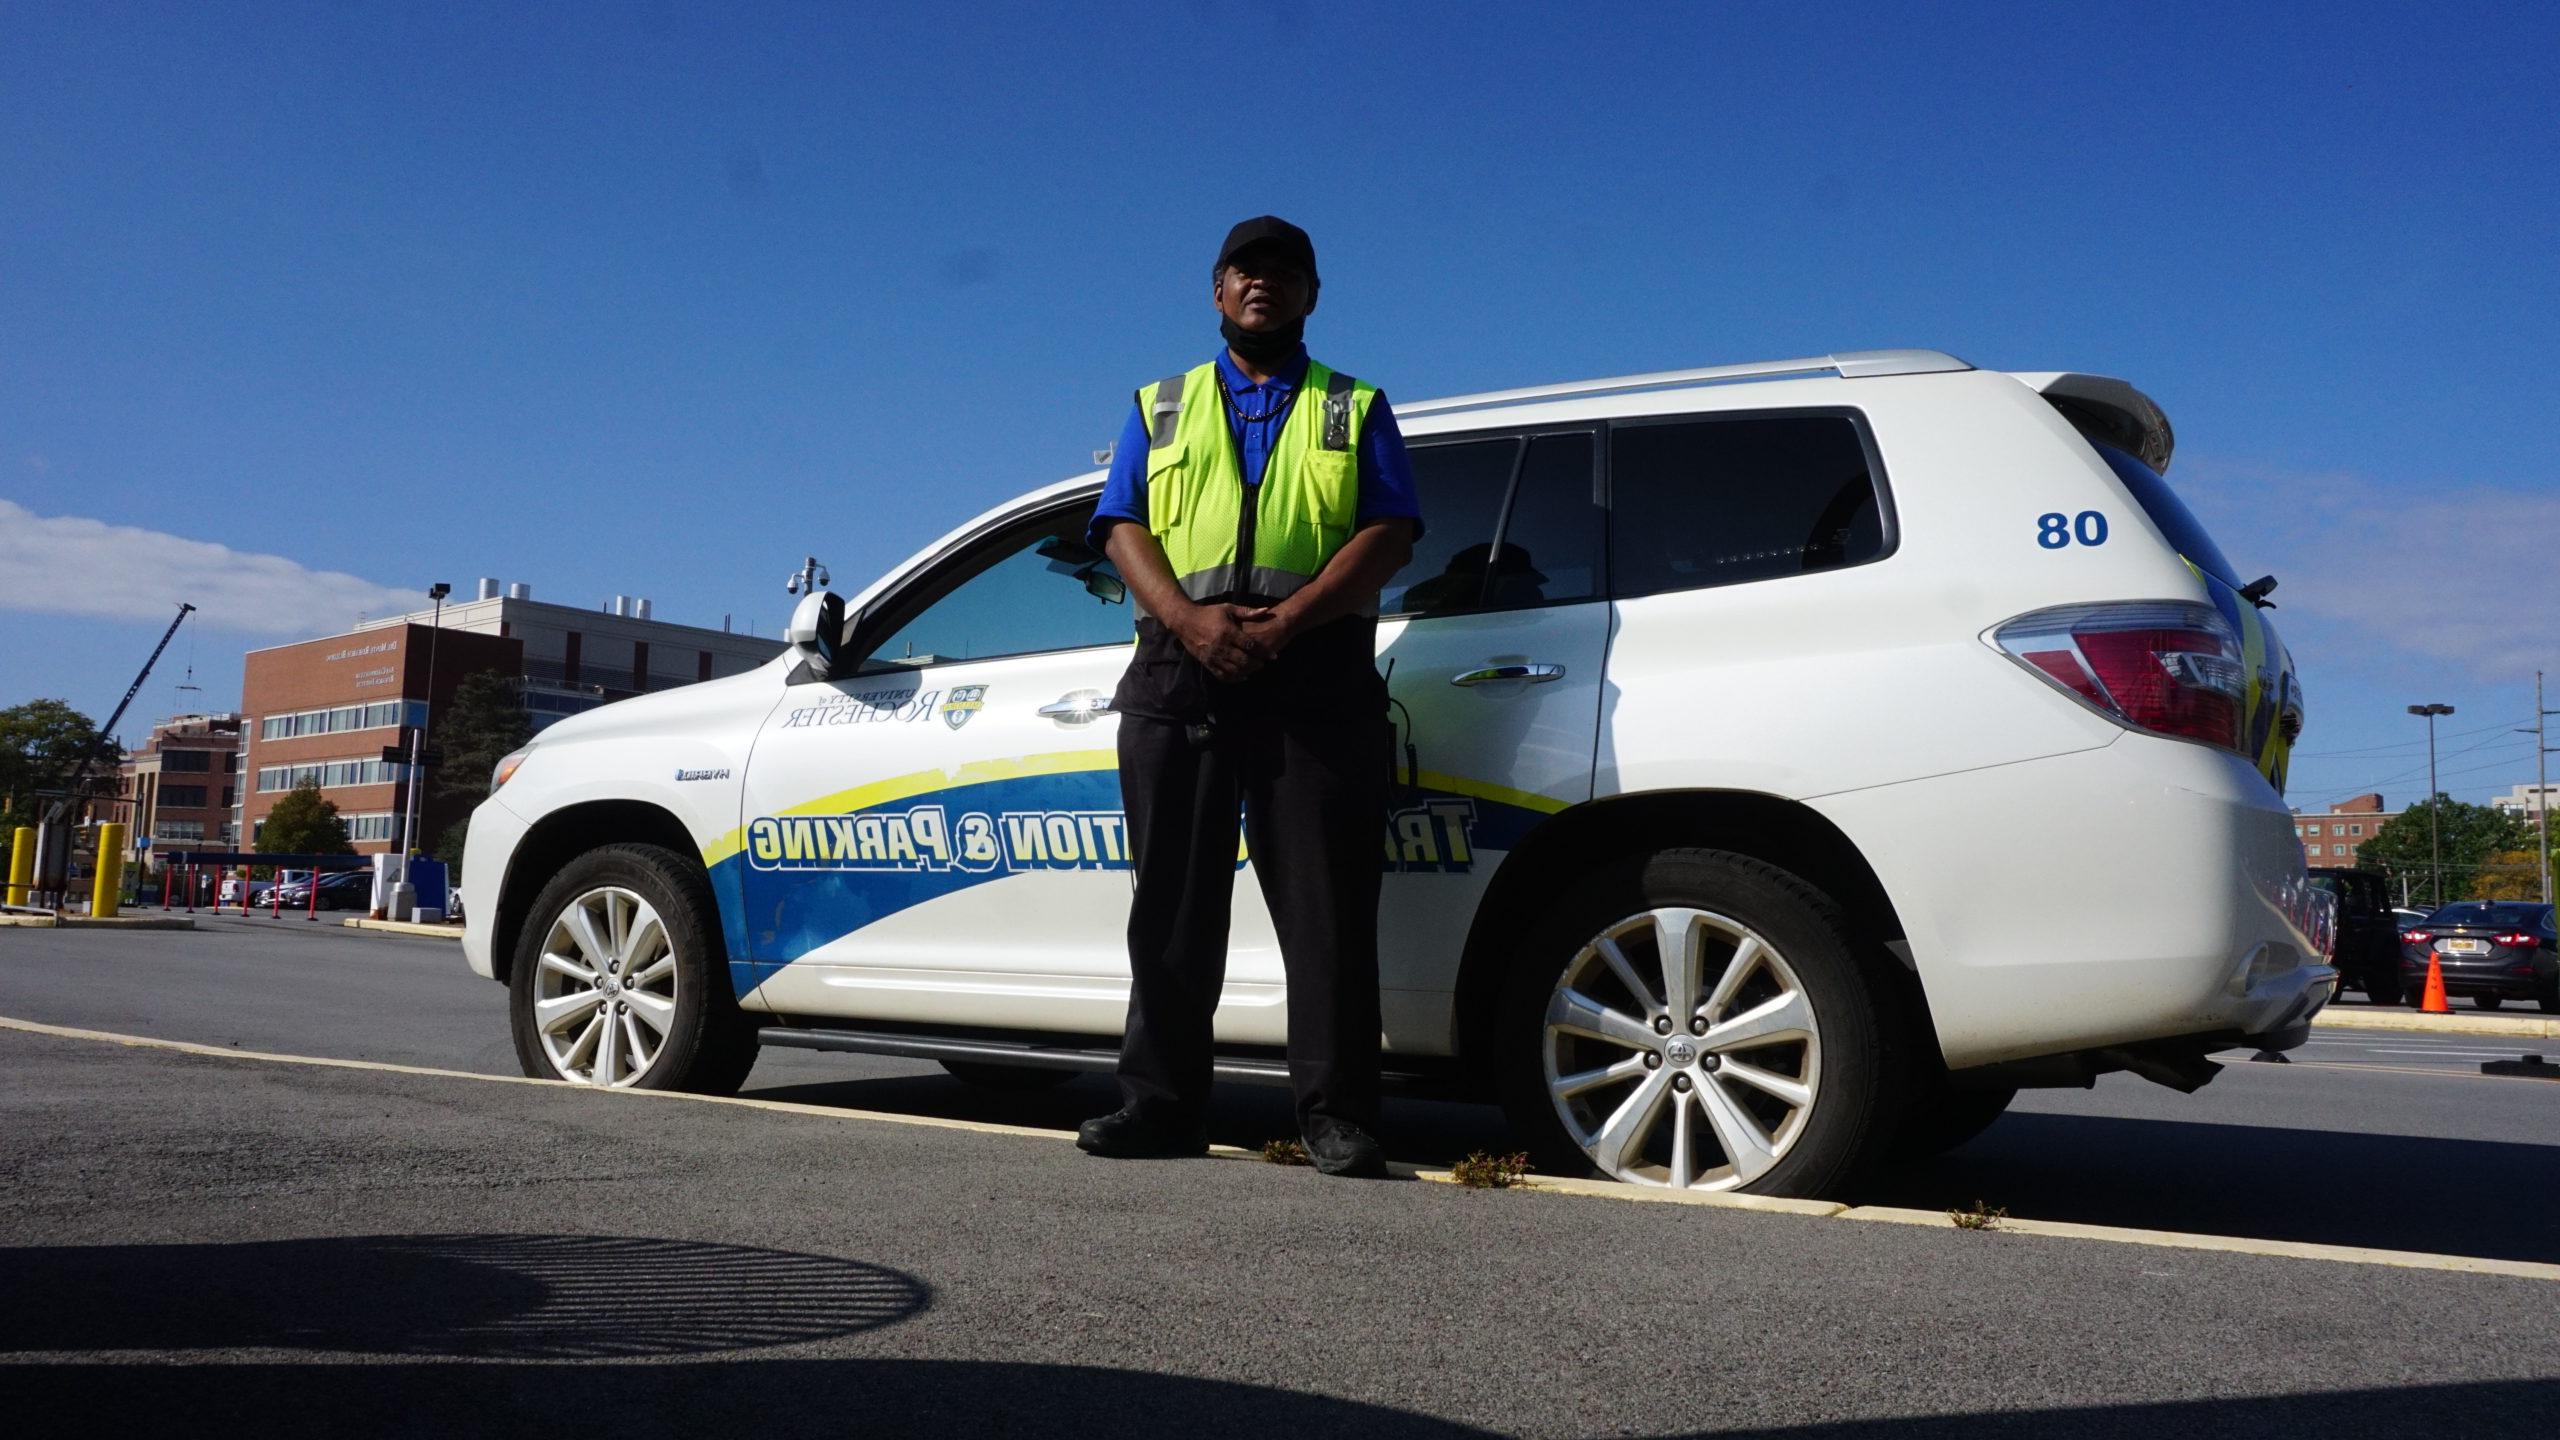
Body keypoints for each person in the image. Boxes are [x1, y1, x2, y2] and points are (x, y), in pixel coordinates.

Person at [1076, 216, 1421, 1177]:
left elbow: (1391, 534)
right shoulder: (1162, 404)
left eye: (1283, 273)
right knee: (1174, 907)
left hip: (1313, 672)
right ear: (1217, 291)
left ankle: (1338, 1116)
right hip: (1180, 669)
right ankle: (1159, 1106)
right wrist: (1191, 624)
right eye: (1243, 271)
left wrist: (1289, 622)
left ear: (1312, 294)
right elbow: (1121, 526)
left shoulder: (1354, 405)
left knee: (1328, 911)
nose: (1261, 285)